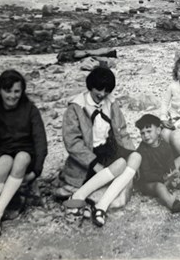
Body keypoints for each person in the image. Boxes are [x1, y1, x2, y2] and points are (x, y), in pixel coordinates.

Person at [0, 70, 48, 247]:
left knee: (21, 158)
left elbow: (40, 142)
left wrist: (36, 172)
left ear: (22, 92)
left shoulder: (31, 110)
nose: (12, 96)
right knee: (5, 161)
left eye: (17, 91)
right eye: (8, 91)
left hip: (26, 156)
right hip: (3, 157)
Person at [59, 66, 141, 227]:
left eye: (107, 91)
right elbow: (72, 142)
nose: (102, 94)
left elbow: (121, 132)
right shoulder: (76, 107)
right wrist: (93, 163)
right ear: (90, 86)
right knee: (121, 166)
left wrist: (131, 151)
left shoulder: (111, 103)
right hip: (87, 154)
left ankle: (99, 205)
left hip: (108, 148)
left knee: (136, 157)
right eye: (99, 89)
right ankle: (81, 197)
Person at [135, 114, 180, 213]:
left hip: (165, 176)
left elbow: (170, 162)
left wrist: (174, 173)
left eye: (149, 131)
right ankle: (171, 203)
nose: (146, 136)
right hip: (151, 182)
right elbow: (146, 174)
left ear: (158, 131)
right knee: (160, 187)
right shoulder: (142, 150)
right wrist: (164, 178)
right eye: (142, 133)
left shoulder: (164, 145)